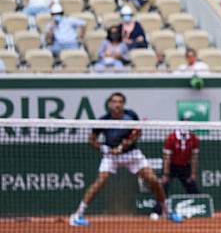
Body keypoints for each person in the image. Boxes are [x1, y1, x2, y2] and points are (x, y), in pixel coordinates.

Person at [68, 92, 183, 226]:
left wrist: (127, 143)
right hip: (111, 156)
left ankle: (167, 212)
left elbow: (137, 132)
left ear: (123, 104)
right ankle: (77, 215)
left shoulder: (131, 116)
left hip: (132, 154)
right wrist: (105, 149)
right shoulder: (103, 121)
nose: (117, 104)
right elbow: (91, 140)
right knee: (100, 182)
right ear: (109, 104)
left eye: (120, 102)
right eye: (114, 102)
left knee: (153, 180)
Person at [161, 123, 201, 196]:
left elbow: (194, 158)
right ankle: (160, 206)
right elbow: (167, 158)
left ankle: (197, 205)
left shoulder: (194, 139)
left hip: (185, 167)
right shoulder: (171, 138)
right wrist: (166, 174)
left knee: (192, 187)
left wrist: (193, 173)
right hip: (172, 166)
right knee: (163, 186)